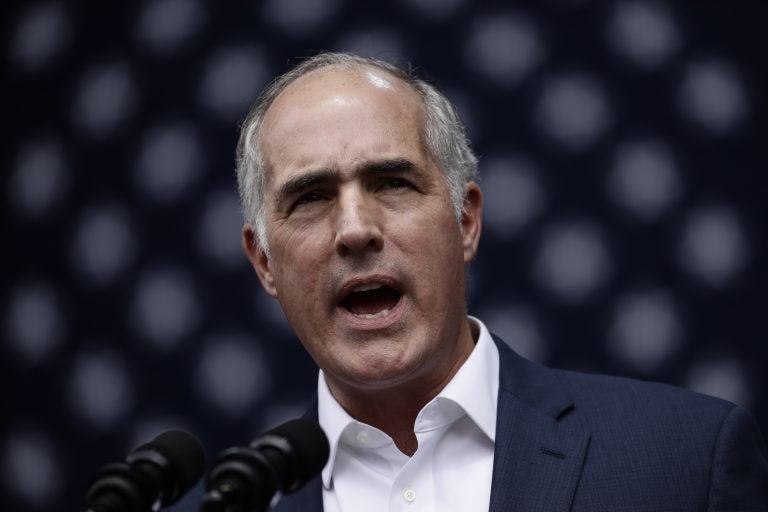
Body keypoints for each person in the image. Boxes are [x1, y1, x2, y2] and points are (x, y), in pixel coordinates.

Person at [236, 52, 768, 511]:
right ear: (264, 262)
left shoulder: (686, 460)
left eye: (393, 183)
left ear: (465, 223)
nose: (355, 229)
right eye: (311, 198)